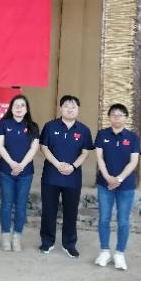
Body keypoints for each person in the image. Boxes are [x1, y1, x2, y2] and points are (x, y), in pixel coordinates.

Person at [39, 95, 93, 258]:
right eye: (67, 106)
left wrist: (73, 166)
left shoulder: (84, 130)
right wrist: (57, 164)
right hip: (51, 176)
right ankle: (47, 241)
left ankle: (69, 244)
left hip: (73, 178)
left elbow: (85, 152)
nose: (70, 109)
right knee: (49, 210)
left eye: (73, 106)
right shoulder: (50, 126)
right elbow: (44, 147)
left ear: (78, 110)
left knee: (71, 212)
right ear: (61, 108)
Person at [94, 104, 141, 271]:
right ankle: (104, 252)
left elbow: (133, 161)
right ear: (109, 117)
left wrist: (119, 178)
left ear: (126, 118)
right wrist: (108, 177)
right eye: (113, 114)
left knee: (123, 220)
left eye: (120, 115)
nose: (117, 118)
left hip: (126, 186)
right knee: (104, 218)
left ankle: (120, 254)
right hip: (104, 184)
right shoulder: (102, 134)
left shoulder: (133, 137)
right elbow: (99, 158)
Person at [0, 94, 39, 252]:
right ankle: (6, 236)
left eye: (22, 105)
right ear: (11, 108)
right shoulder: (4, 123)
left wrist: (21, 165)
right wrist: (12, 163)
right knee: (6, 204)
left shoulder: (33, 126)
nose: (19, 108)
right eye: (16, 105)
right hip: (6, 171)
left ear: (27, 109)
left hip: (25, 173)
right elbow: (0, 145)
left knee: (21, 206)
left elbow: (34, 148)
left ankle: (17, 237)